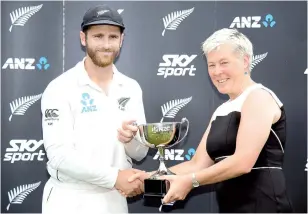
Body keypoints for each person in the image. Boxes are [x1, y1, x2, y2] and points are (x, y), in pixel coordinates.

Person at [127, 28, 293, 213]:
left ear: (245, 61)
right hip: (230, 207)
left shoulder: (258, 97)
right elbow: (197, 164)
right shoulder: (222, 109)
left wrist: (191, 181)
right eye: (211, 65)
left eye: (224, 63)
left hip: (265, 206)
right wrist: (149, 178)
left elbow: (242, 162)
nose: (217, 72)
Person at [41, 4, 149, 214]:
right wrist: (115, 177)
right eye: (98, 36)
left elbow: (140, 153)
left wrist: (131, 140)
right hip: (70, 200)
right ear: (84, 38)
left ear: (122, 40)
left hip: (115, 199)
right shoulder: (59, 88)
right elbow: (59, 155)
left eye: (112, 37)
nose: (106, 45)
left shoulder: (131, 87)